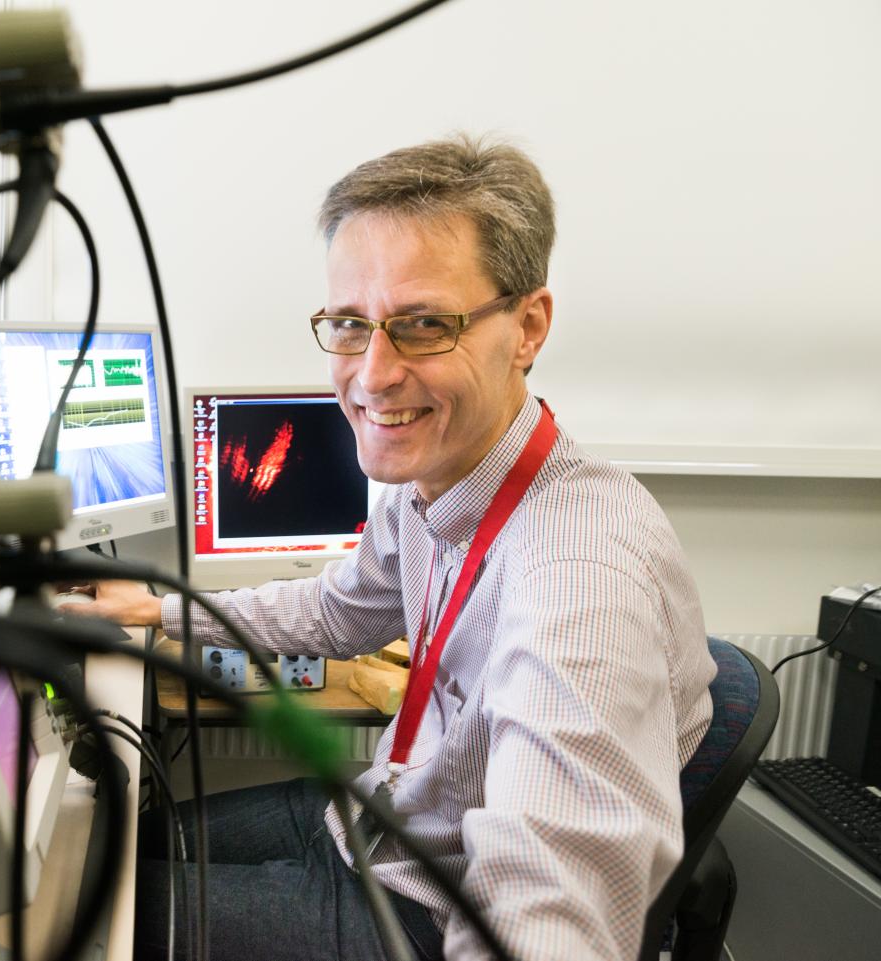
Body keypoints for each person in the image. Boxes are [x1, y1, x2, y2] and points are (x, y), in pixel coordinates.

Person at [68, 134, 716, 960]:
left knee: (80, 913)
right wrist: (160, 607)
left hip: (421, 914)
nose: (371, 374)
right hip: (373, 823)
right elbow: (337, 609)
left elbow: (546, 917)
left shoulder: (578, 574)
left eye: (421, 325)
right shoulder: (432, 487)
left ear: (528, 326)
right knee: (116, 840)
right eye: (350, 323)